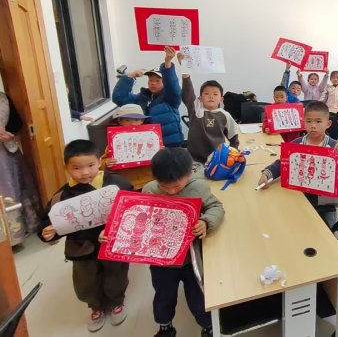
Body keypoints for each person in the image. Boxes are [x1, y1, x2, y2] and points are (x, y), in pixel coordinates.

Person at [39, 140, 132, 332]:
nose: (84, 172)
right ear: (66, 168)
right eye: (76, 168)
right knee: (85, 282)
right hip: (81, 247)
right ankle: (95, 307)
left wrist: (117, 229)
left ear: (99, 162)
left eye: (90, 165)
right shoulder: (61, 197)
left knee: (116, 275)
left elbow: (133, 207)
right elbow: (47, 223)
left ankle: (116, 302)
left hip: (112, 243)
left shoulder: (117, 184)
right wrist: (47, 232)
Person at [139, 148, 224, 337]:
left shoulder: (198, 188)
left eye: (176, 187)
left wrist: (206, 222)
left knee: (198, 297)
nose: (170, 191)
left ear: (190, 173)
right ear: (155, 178)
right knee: (163, 296)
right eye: (164, 186)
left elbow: (216, 207)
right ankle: (165, 325)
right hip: (161, 260)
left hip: (191, 259)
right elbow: (139, 217)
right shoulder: (149, 190)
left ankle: (208, 326)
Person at [257, 101, 338, 225]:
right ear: (303, 122)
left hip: (324, 200)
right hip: (298, 195)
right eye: (309, 121)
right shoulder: (296, 143)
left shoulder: (335, 147)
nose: (313, 126)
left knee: (323, 229)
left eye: (318, 121)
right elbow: (282, 163)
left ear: (328, 124)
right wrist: (267, 174)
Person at [112, 47, 183, 147]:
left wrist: (167, 62)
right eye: (151, 80)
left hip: (170, 146)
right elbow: (119, 98)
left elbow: (172, 84)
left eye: (157, 80)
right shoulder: (141, 97)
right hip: (146, 146)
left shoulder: (171, 97)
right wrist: (130, 76)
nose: (153, 83)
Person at [0, 92, 41, 235]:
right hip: (6, 152)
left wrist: (7, 133)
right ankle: (8, 235)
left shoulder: (3, 98)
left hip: (7, 151)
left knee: (16, 187)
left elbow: (17, 124)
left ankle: (19, 229)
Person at [182, 75, 240, 166]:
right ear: (200, 98)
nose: (211, 96)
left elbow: (233, 137)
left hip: (217, 159)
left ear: (221, 99)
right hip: (194, 160)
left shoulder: (225, 115)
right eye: (207, 94)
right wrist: (186, 79)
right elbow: (188, 96)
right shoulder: (196, 111)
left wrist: (233, 154)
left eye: (215, 94)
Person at [100, 103, 150, 170]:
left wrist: (160, 152)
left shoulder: (150, 137)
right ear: (120, 121)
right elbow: (100, 163)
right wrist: (106, 163)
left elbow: (158, 159)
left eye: (136, 120)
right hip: (123, 175)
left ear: (142, 121)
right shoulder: (115, 140)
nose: (133, 124)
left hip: (147, 174)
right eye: (127, 120)